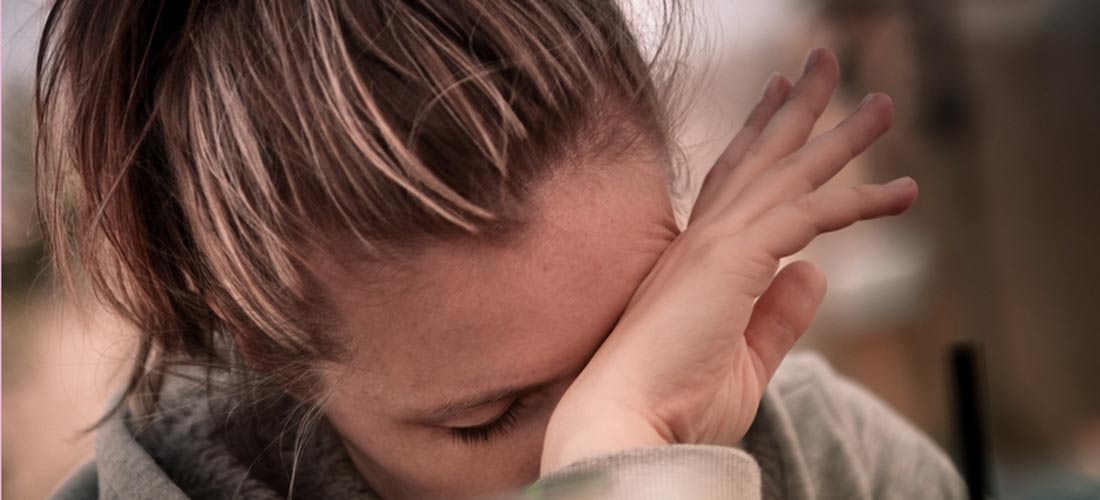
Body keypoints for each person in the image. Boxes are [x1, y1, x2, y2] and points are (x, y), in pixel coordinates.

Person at [38, 1, 964, 498]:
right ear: (274, 356)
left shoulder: (843, 462)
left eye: (638, 327)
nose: (598, 421)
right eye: (489, 419)